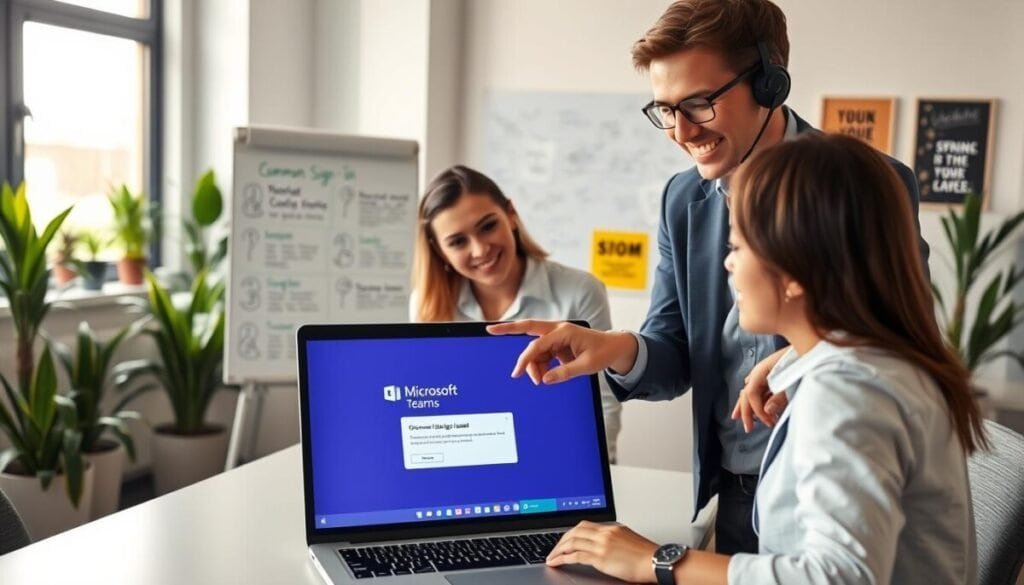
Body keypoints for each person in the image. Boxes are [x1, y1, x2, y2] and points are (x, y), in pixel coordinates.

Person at [492, 0, 929, 555]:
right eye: (665, 110)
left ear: (770, 84)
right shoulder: (684, 199)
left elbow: (897, 341)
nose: (681, 131)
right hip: (737, 490)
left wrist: (789, 361)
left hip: (836, 484)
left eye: (698, 103)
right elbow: (675, 349)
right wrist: (614, 348)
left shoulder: (866, 185)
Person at [505, 133, 985, 584]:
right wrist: (789, 363)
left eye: (737, 246)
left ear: (796, 270)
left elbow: (839, 577)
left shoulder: (846, 391)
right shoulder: (883, 363)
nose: (728, 263)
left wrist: (656, 560)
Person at [409, 164, 622, 461]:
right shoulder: (427, 305)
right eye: (458, 241)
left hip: (555, 455)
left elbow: (603, 401)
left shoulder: (580, 290)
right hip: (466, 460)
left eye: (487, 226)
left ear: (511, 214)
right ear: (438, 250)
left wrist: (591, 470)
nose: (480, 249)